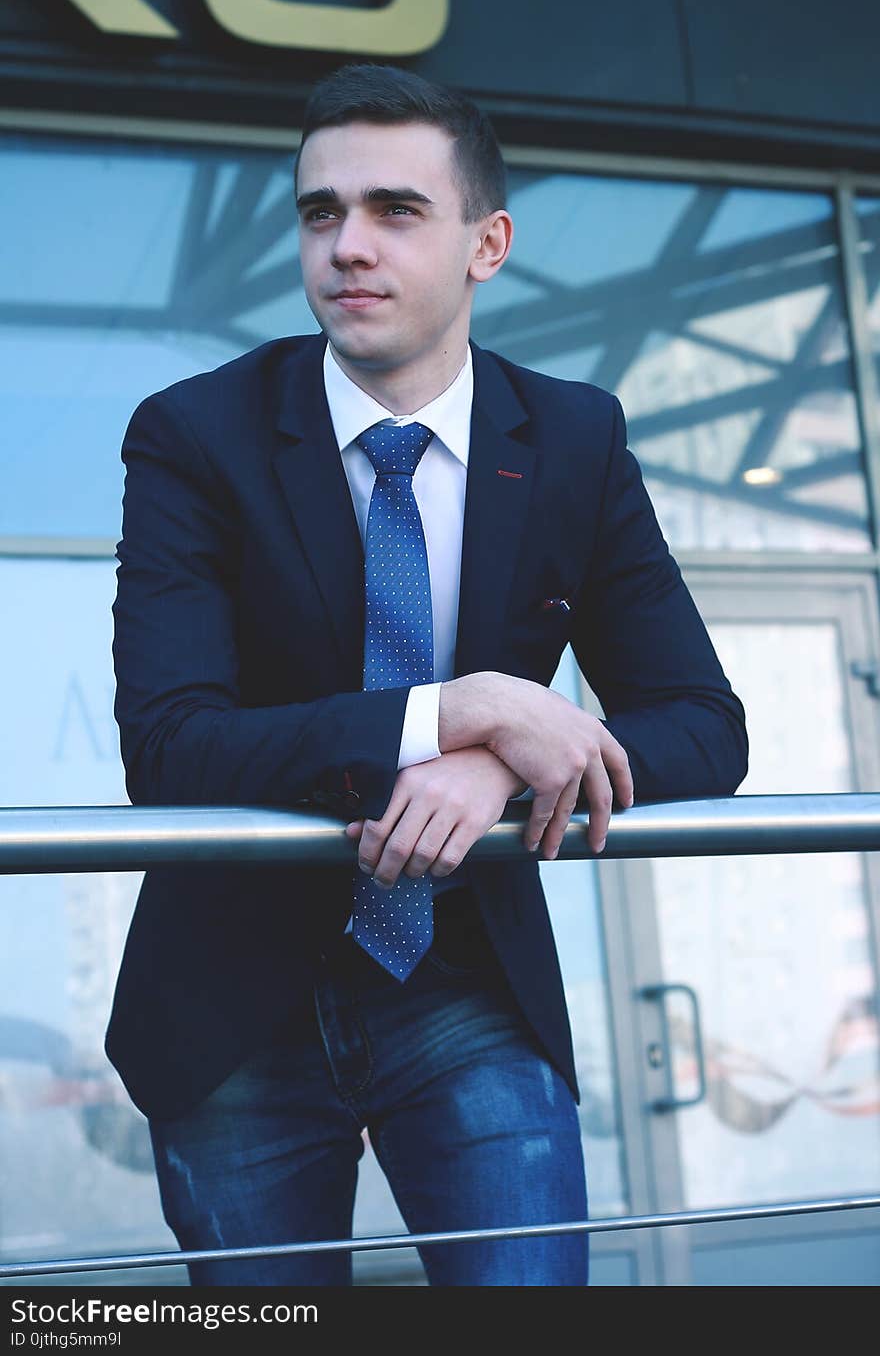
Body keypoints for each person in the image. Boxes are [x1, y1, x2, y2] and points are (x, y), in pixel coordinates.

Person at [105, 63, 748, 1287]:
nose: (347, 246)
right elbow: (172, 745)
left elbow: (704, 727)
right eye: (318, 213)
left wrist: (489, 761)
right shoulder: (194, 434)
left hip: (467, 986)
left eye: (396, 211)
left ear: (485, 243)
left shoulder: (572, 438)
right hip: (233, 1004)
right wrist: (456, 705)